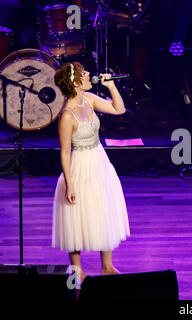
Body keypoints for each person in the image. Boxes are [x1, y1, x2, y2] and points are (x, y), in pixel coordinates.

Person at [52, 62, 130, 282]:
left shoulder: (90, 99)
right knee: (77, 218)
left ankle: (107, 266)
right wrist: (69, 183)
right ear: (76, 83)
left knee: (102, 212)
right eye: (84, 74)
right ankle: (77, 272)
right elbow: (65, 152)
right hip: (80, 166)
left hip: (99, 163)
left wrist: (112, 87)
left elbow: (119, 109)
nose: (89, 76)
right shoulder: (67, 116)